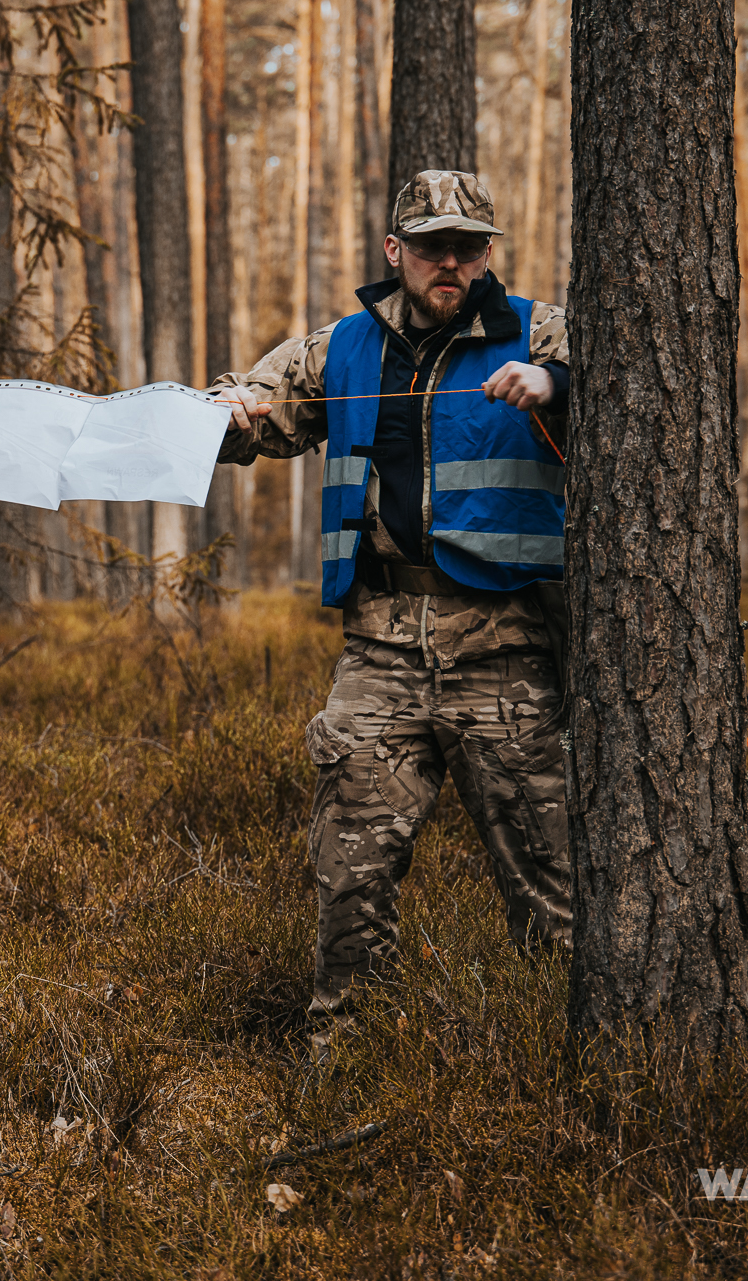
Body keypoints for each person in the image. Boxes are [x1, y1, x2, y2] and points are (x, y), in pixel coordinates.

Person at [210, 170, 573, 1053]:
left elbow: (641, 391)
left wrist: (555, 385)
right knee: (350, 874)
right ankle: (348, 1062)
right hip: (381, 650)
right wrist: (229, 409)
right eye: (431, 246)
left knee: (555, 883)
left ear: (489, 252)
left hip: (508, 649)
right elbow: (254, 409)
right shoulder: (342, 348)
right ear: (395, 250)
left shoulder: (539, 332)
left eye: (467, 247)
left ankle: (569, 1070)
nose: (450, 262)